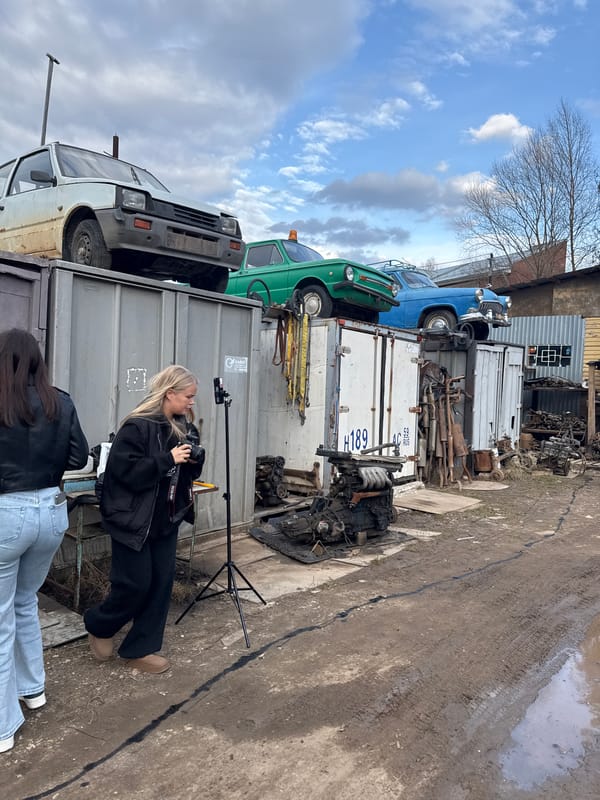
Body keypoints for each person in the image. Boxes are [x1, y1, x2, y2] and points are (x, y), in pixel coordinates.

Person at [0, 328, 89, 755]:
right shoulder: (60, 400)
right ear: (38, 361)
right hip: (52, 510)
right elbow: (79, 457)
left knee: (1, 619)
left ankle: (3, 727)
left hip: (6, 513)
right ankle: (33, 690)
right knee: (24, 602)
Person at [84, 365, 204, 675]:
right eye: (188, 396)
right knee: (134, 584)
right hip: (132, 521)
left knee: (161, 585)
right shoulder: (137, 427)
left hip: (166, 519)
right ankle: (100, 624)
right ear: (170, 394)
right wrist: (167, 460)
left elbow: (185, 473)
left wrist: (195, 460)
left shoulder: (184, 427)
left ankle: (140, 649)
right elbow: (124, 475)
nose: (192, 402)